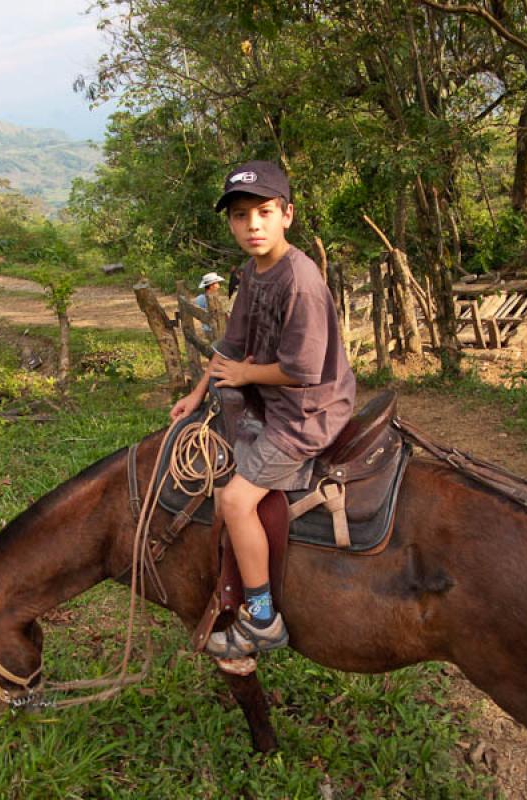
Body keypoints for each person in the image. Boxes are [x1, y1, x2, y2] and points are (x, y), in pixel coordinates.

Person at [170, 160, 355, 659]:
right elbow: (230, 345)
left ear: (287, 215)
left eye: (264, 212)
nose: (252, 225)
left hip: (305, 412)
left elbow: (302, 370)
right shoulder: (252, 274)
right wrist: (197, 390)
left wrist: (248, 376)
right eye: (240, 216)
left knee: (234, 501)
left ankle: (263, 616)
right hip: (275, 398)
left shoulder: (300, 281)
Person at [194, 272, 225, 337]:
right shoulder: (214, 299)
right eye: (217, 283)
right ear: (211, 286)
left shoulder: (199, 298)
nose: (219, 286)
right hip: (215, 330)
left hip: (206, 329)